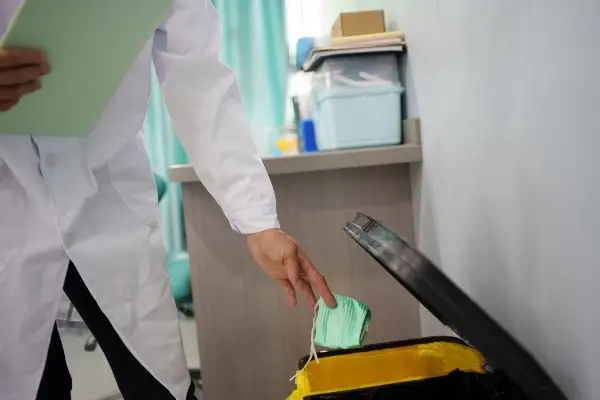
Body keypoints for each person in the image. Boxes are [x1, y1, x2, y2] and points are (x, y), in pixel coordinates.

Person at [0, 1, 336, 399]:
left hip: (106, 203)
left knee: (160, 389)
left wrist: (258, 222)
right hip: (9, 207)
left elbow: (200, 84)